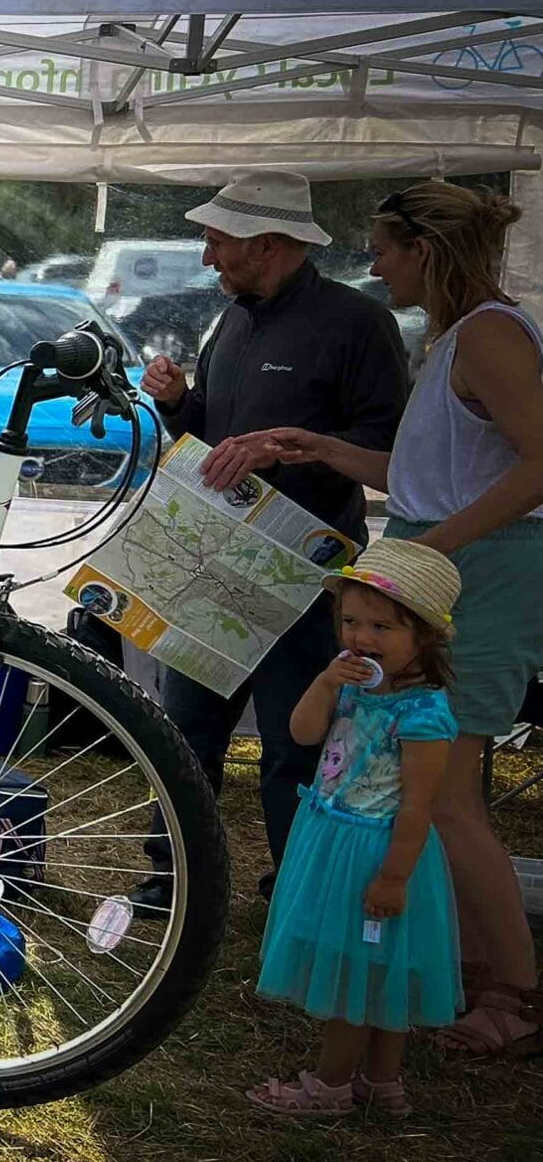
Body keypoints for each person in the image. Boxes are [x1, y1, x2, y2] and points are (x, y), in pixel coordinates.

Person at [253, 181, 541, 1059]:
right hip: (451, 564)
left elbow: (538, 466)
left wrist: (430, 558)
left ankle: (517, 995)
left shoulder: (489, 332)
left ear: (427, 250)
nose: (373, 267)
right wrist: (325, 446)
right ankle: (465, 970)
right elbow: (429, 473)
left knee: (448, 798)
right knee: (449, 789)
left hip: (475, 574)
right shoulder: (460, 336)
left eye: (382, 249)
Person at [133, 171, 410, 914]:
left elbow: (391, 451)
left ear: (267, 243)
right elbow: (213, 439)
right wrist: (176, 403)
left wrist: (297, 448)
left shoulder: (357, 323)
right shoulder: (234, 319)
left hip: (304, 569)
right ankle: (174, 879)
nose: (206, 258)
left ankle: (299, 889)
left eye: (217, 242)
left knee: (296, 739)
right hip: (214, 557)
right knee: (186, 728)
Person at [246, 540, 461, 1115]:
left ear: (425, 637)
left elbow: (418, 808)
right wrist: (324, 683)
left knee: (358, 977)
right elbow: (302, 733)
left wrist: (393, 877)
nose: (362, 638)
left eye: (382, 627)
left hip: (377, 851)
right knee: (377, 973)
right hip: (333, 837)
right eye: (350, 622)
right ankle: (382, 1084)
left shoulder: (423, 715)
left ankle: (329, 1087)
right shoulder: (354, 687)